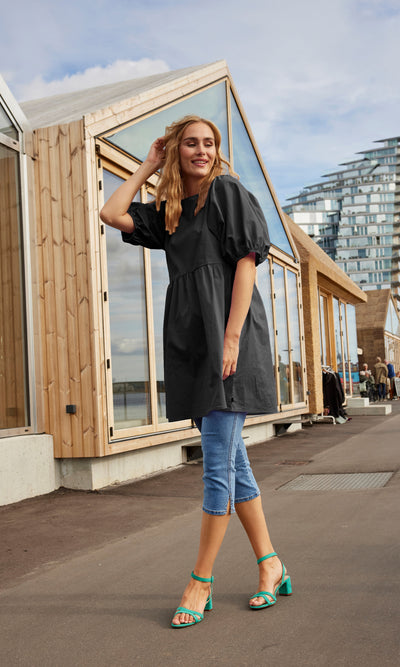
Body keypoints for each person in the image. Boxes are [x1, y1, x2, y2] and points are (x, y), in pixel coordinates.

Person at [100, 115, 291, 629]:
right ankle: (271, 564)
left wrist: (231, 339)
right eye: (190, 143)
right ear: (175, 150)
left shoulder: (226, 191)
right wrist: (148, 164)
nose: (202, 151)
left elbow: (247, 263)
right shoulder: (170, 212)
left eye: (209, 143)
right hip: (190, 343)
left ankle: (200, 581)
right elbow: (111, 212)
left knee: (215, 468)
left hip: (228, 338)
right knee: (234, 466)